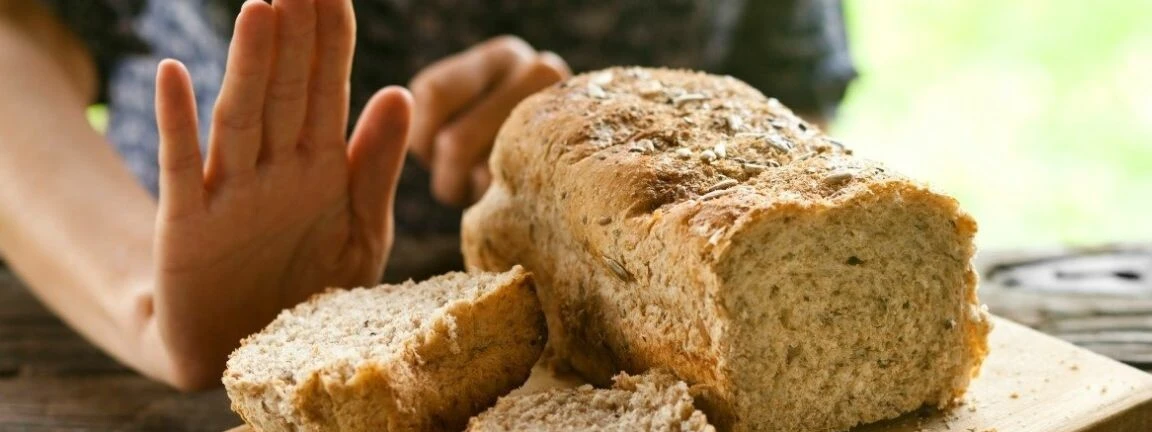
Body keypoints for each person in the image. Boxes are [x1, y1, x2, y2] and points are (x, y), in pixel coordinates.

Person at [0, 0, 855, 391]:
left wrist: (592, 144)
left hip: (597, 360)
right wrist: (141, 295)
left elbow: (785, 95)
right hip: (146, 280)